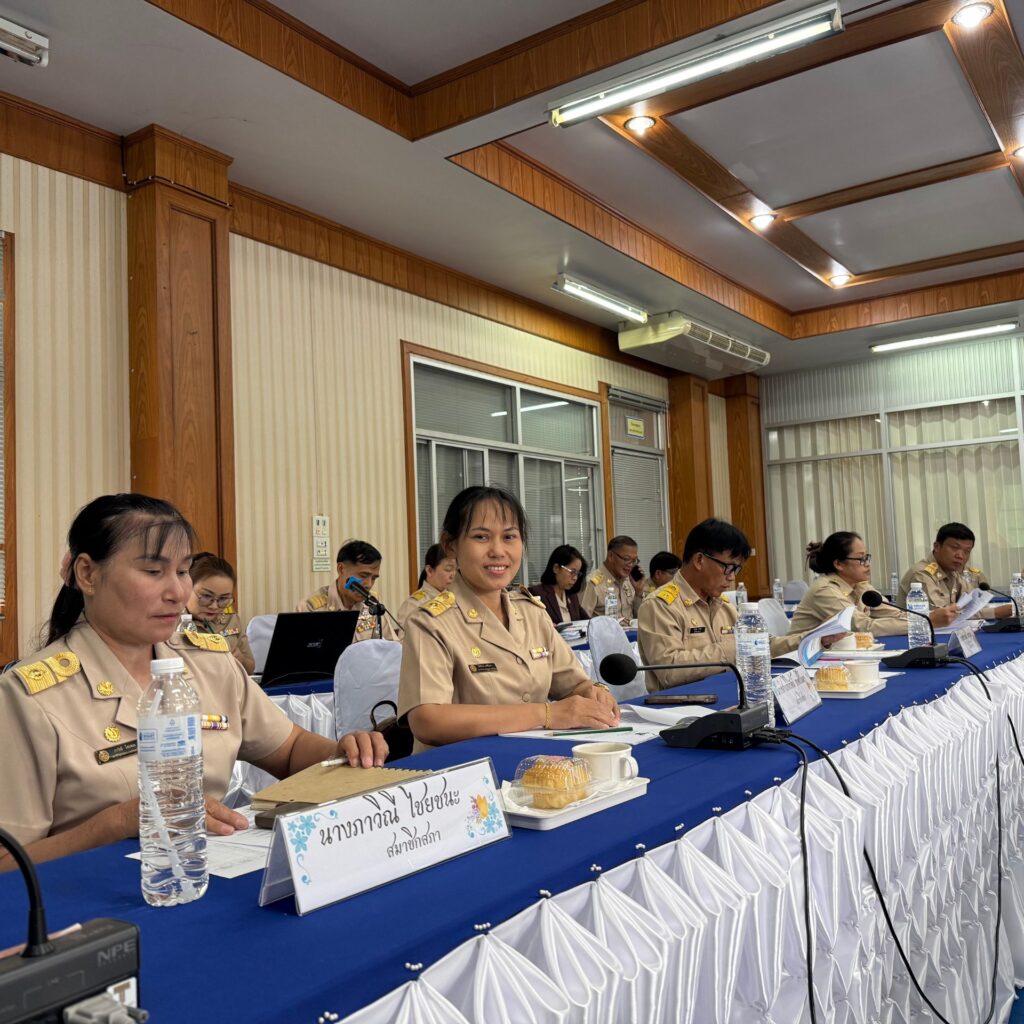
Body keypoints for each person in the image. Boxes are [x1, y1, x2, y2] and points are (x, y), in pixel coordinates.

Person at [0, 494, 386, 863]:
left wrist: (343, 755)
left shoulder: (209, 663)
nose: (177, 591)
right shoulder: (29, 697)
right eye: (153, 572)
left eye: (183, 571)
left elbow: (289, 749)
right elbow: (7, 862)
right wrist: (117, 822)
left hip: (209, 874)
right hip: (93, 900)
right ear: (87, 573)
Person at [398, 486, 620, 751]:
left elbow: (573, 684)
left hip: (534, 760)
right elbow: (427, 720)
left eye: (509, 537)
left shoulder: (532, 613)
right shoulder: (430, 622)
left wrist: (592, 692)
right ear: (451, 545)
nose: (498, 551)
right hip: (464, 769)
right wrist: (546, 714)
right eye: (481, 537)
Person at [639, 518, 800, 690]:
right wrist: (733, 648)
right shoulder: (660, 606)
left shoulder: (722, 604)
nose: (732, 577)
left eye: (736, 570)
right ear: (699, 560)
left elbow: (761, 643)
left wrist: (806, 640)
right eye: (728, 568)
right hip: (682, 702)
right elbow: (670, 671)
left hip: (729, 694)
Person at [789, 532, 957, 638]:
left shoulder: (860, 585)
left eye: (866, 557)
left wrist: (930, 616)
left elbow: (896, 614)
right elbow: (863, 627)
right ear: (839, 564)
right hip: (799, 661)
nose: (867, 564)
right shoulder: (825, 590)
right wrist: (927, 621)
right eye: (860, 559)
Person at [897, 522, 1013, 621]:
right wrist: (995, 613)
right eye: (954, 548)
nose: (960, 556)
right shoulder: (922, 574)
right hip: (916, 635)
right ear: (937, 547)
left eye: (967, 551)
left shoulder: (954, 571)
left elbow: (969, 608)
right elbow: (944, 616)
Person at [297, 539, 396, 641]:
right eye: (363, 575)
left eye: (374, 578)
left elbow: (392, 644)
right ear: (341, 569)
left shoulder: (372, 603)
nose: (369, 584)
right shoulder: (310, 608)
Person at [185, 552, 256, 674]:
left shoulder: (231, 620)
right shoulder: (171, 621)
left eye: (223, 599)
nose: (214, 606)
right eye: (206, 596)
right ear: (186, 588)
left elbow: (250, 668)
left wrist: (241, 659)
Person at [580, 535, 645, 619]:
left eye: (634, 560)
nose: (631, 565)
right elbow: (582, 621)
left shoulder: (629, 580)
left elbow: (640, 618)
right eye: (626, 559)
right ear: (611, 556)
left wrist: (638, 593)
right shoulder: (592, 584)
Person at [396, 544, 458, 628]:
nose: (453, 575)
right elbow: (406, 636)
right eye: (448, 569)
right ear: (429, 570)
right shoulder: (413, 605)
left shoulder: (456, 599)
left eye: (456, 569)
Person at [529, 544, 589, 626]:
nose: (575, 578)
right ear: (556, 568)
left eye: (577, 574)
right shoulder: (536, 594)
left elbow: (588, 622)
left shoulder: (572, 596)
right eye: (572, 572)